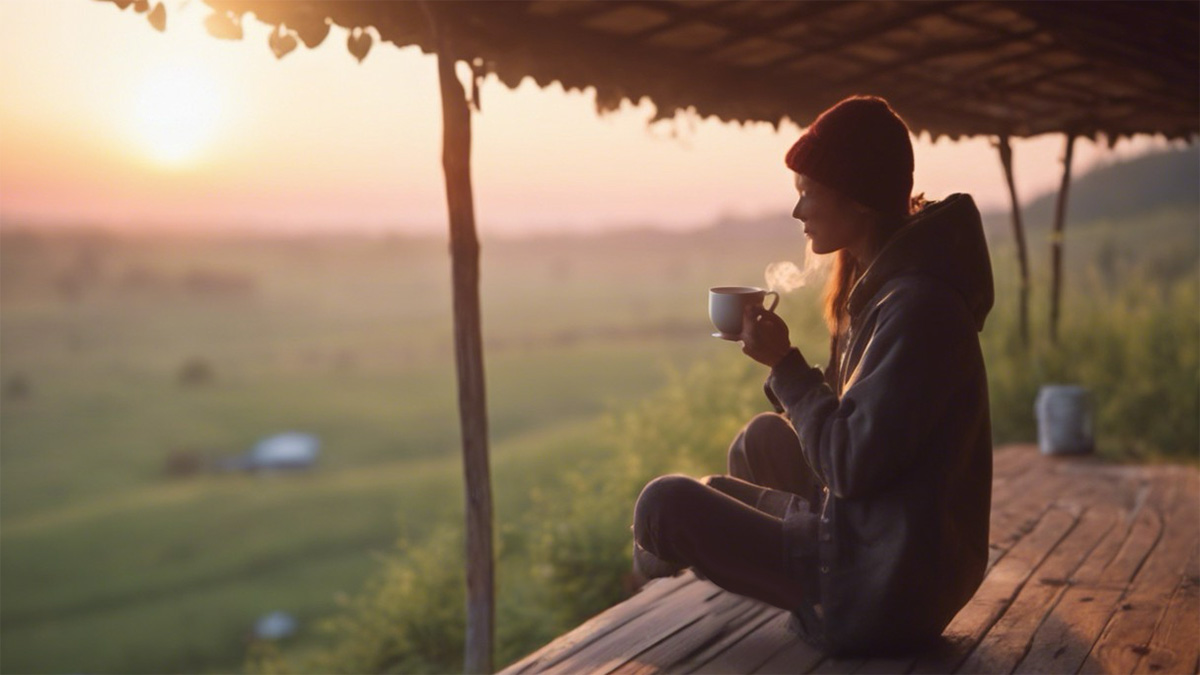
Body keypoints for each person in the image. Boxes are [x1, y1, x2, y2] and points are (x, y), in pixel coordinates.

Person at [631, 95, 994, 655]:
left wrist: (786, 366)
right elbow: (861, 433)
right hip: (878, 542)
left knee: (663, 505)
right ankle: (671, 561)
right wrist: (788, 376)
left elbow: (848, 462)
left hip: (881, 588)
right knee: (759, 440)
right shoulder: (888, 287)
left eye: (807, 193)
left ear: (858, 197)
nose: (798, 211)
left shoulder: (917, 308)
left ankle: (652, 571)